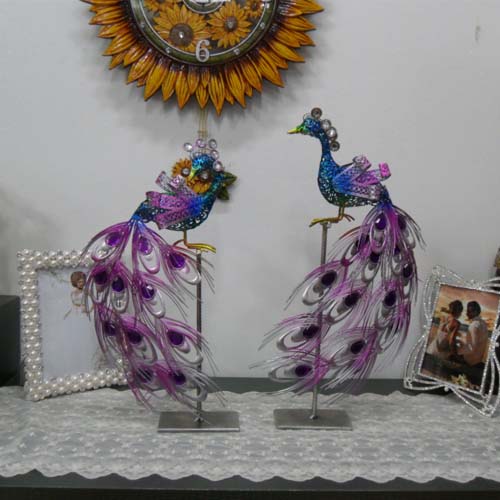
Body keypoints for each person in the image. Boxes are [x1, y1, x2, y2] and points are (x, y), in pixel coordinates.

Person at [457, 301, 489, 370]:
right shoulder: (483, 323)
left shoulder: (474, 325)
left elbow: (471, 348)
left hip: (470, 361)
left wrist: (457, 352)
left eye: (469, 311)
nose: (467, 313)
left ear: (475, 312)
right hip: (478, 359)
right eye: (467, 311)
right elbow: (477, 342)